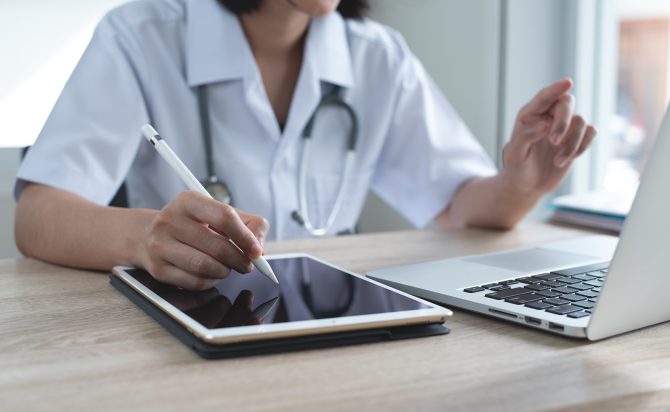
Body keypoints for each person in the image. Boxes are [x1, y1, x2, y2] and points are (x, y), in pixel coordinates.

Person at [14, 0, 596, 291]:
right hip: (190, 334)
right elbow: (39, 213)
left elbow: (459, 203)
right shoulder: (141, 37)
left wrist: (522, 183)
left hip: (325, 326)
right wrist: (144, 237)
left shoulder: (377, 56)